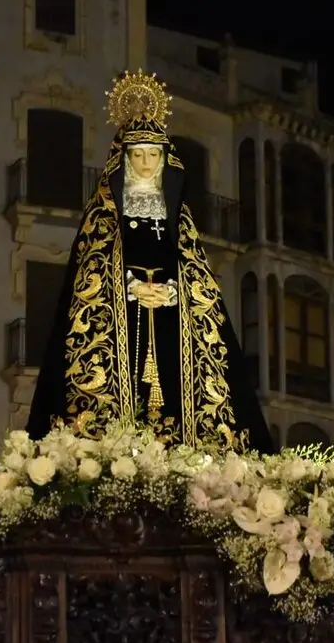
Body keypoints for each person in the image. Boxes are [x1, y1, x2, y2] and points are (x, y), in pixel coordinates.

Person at [25, 70, 275, 454]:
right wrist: (130, 288)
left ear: (164, 159)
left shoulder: (179, 219)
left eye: (153, 154)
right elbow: (87, 276)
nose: (145, 164)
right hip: (119, 321)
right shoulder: (103, 217)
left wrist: (173, 293)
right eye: (137, 155)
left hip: (173, 323)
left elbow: (198, 279)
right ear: (124, 159)